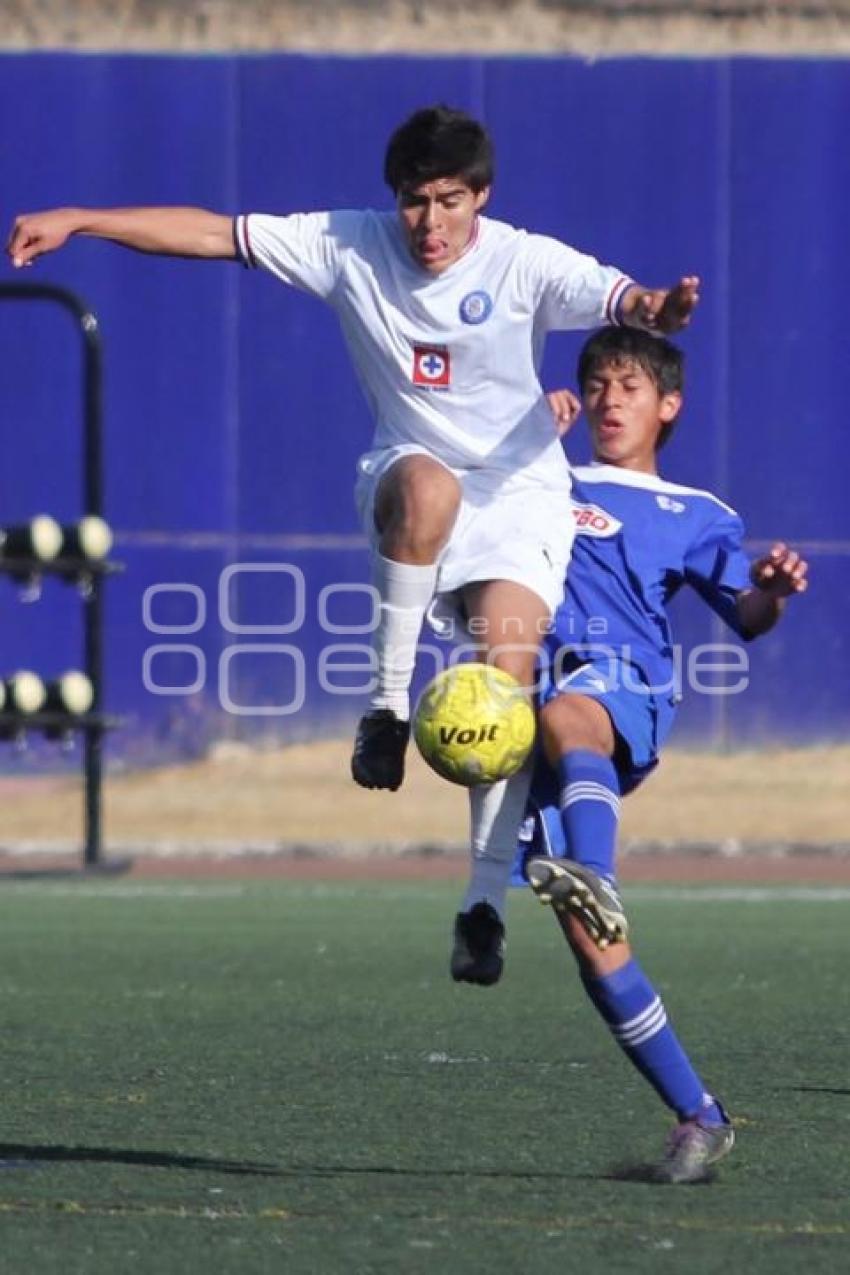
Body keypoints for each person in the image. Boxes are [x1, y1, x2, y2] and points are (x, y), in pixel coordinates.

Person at [6, 105, 699, 847]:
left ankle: (482, 903)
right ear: (394, 197)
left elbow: (627, 300)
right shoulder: (348, 243)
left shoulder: (523, 261)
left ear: (482, 196)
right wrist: (80, 218)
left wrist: (658, 307)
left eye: (449, 200)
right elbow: (214, 232)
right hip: (409, 470)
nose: (429, 221)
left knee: (502, 694)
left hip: (522, 496)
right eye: (414, 199)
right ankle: (385, 709)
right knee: (431, 487)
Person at [449, 325, 808, 1184]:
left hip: (624, 687)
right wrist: (524, 437)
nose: (610, 399)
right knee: (591, 945)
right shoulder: (540, 482)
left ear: (668, 406)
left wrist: (772, 592)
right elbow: (456, 510)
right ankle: (700, 1114)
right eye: (598, 383)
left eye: (631, 386)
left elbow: (747, 618)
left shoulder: (696, 512)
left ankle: (570, 880)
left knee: (573, 711)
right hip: (530, 712)